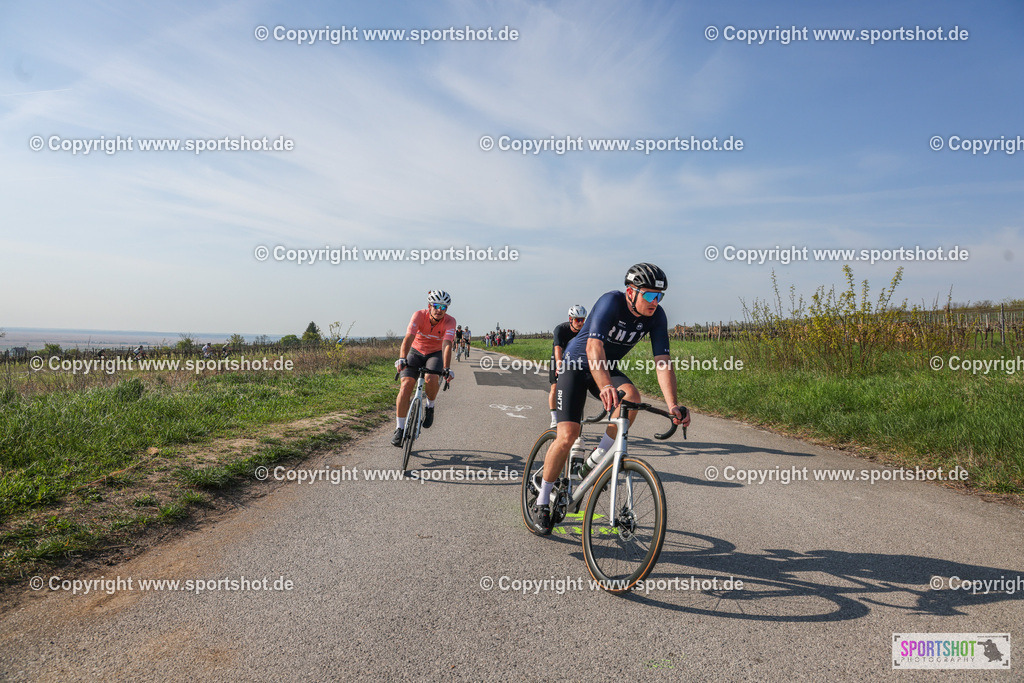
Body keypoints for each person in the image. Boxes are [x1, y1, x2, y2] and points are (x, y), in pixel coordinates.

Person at [529, 263, 690, 534]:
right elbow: (594, 347)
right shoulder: (610, 302)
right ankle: (543, 500)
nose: (656, 302)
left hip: (605, 367)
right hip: (576, 366)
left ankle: (598, 456)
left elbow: (662, 362)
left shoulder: (656, 316)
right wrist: (604, 386)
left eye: (659, 296)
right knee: (568, 435)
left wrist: (673, 404)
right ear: (631, 292)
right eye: (650, 295)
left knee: (633, 397)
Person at [392, 290, 456, 446]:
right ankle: (399, 429)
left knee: (431, 378)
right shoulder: (419, 315)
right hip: (416, 351)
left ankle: (430, 406)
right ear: (429, 306)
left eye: (443, 307)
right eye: (436, 305)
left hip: (434, 353)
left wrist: (447, 368)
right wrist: (402, 358)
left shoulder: (450, 321)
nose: (440, 310)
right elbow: (409, 337)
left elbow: (447, 344)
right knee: (406, 385)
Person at [548, 305, 587, 428]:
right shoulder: (560, 329)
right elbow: (557, 348)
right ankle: (554, 418)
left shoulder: (585, 330)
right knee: (554, 388)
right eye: (577, 320)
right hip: (559, 356)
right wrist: (559, 363)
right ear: (570, 319)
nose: (580, 323)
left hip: (574, 359)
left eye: (582, 319)